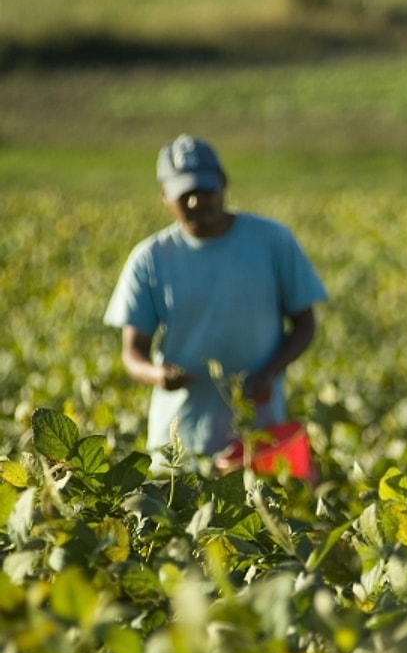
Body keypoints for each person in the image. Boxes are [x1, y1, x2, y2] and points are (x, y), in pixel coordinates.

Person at [104, 135, 327, 473]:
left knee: (259, 505)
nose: (196, 202)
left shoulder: (272, 241)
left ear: (222, 183)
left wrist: (268, 372)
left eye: (205, 190)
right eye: (184, 194)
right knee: (178, 503)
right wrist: (158, 375)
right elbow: (133, 353)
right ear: (164, 196)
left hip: (258, 436)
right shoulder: (150, 259)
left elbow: (305, 324)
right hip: (179, 443)